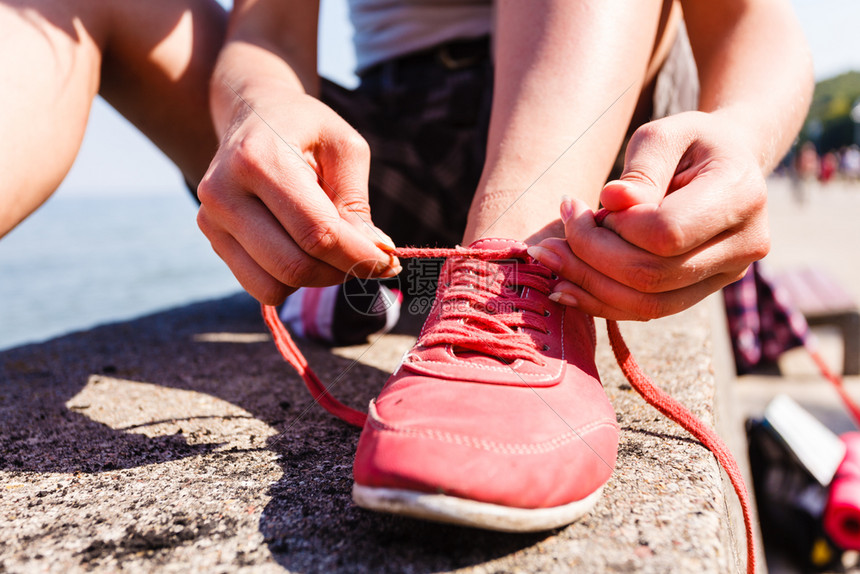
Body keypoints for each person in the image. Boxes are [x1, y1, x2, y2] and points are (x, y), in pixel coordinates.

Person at [0, 0, 812, 534]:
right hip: (396, 139)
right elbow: (267, 38)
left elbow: (749, 22)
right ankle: (400, 277)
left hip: (604, 152)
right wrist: (260, 105)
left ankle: (504, 275)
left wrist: (741, 133)